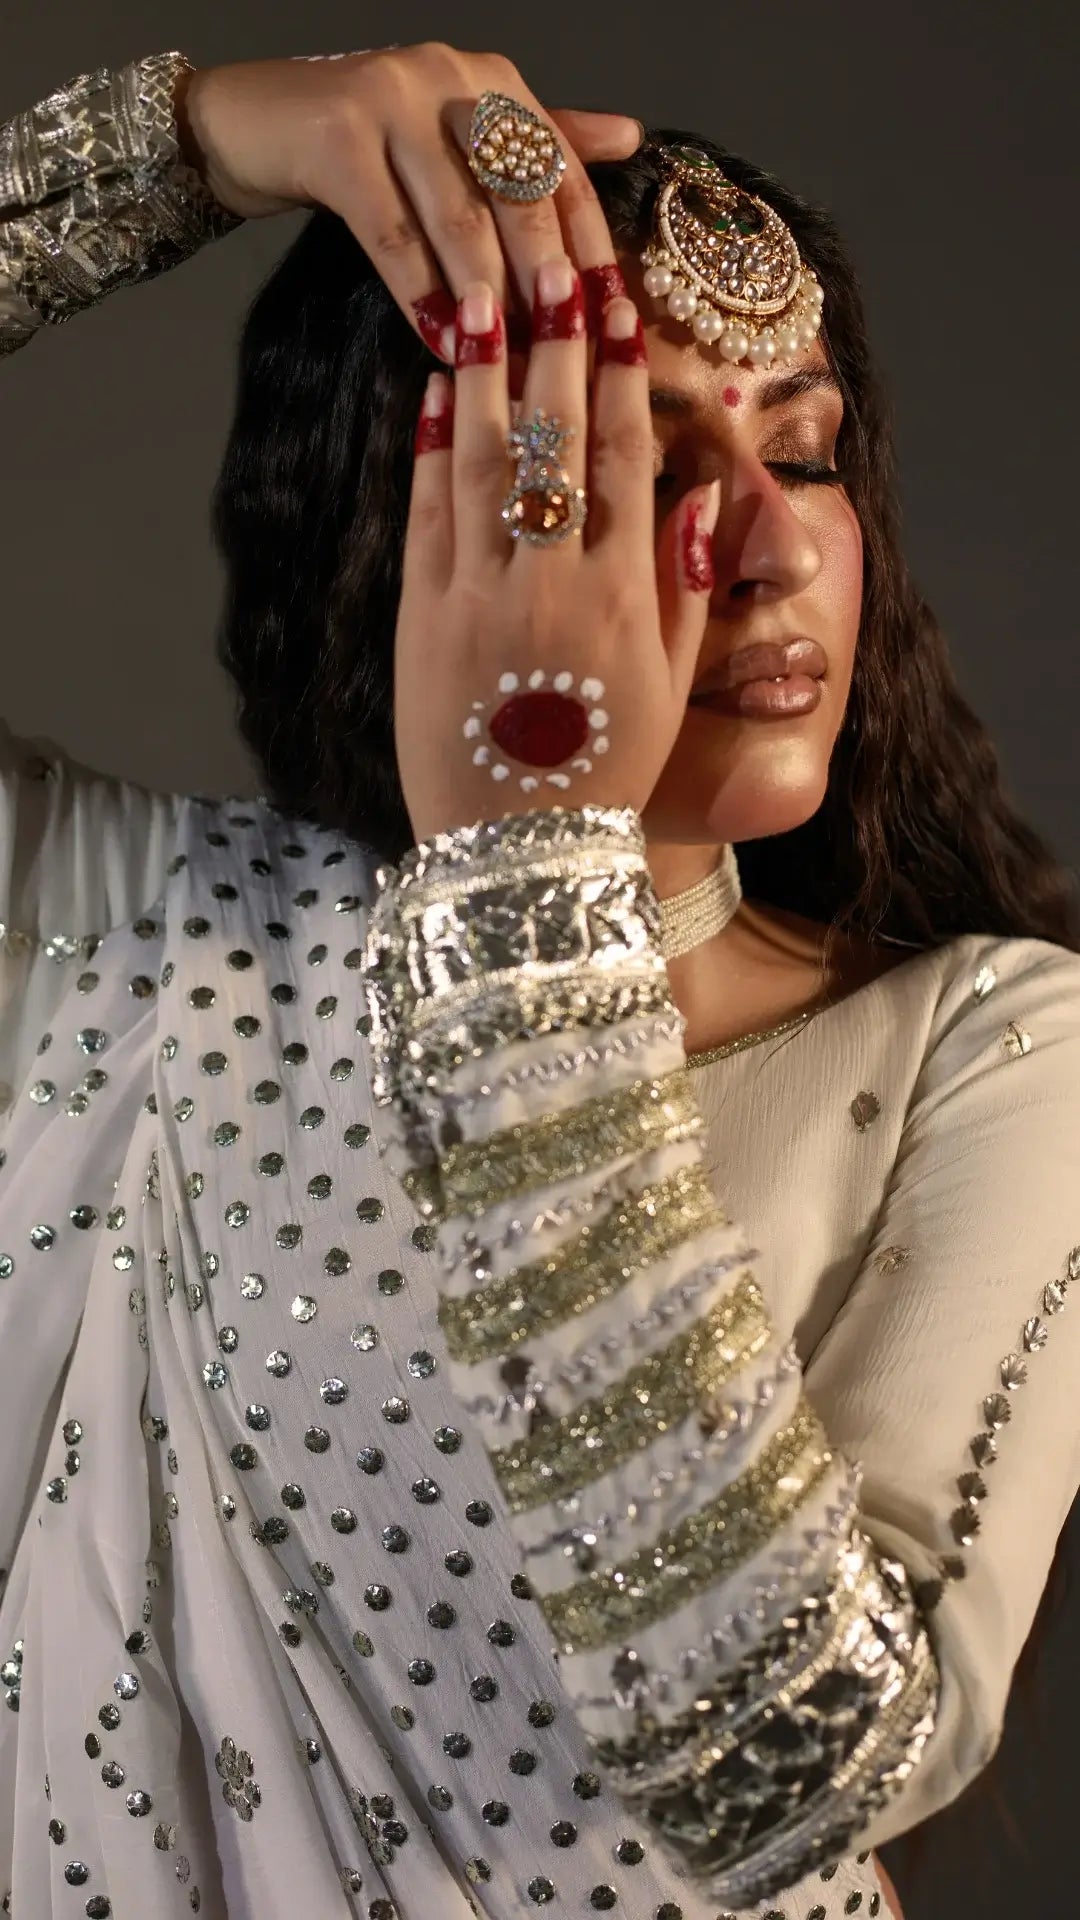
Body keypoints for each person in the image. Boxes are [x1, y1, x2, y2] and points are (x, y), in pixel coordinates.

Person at [0, 41, 1077, 1920]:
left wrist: (526, 899)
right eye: (646, 461)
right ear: (395, 534)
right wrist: (189, 145)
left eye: (803, 451)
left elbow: (793, 1768)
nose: (773, 548)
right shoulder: (153, 943)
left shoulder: (984, 1048)